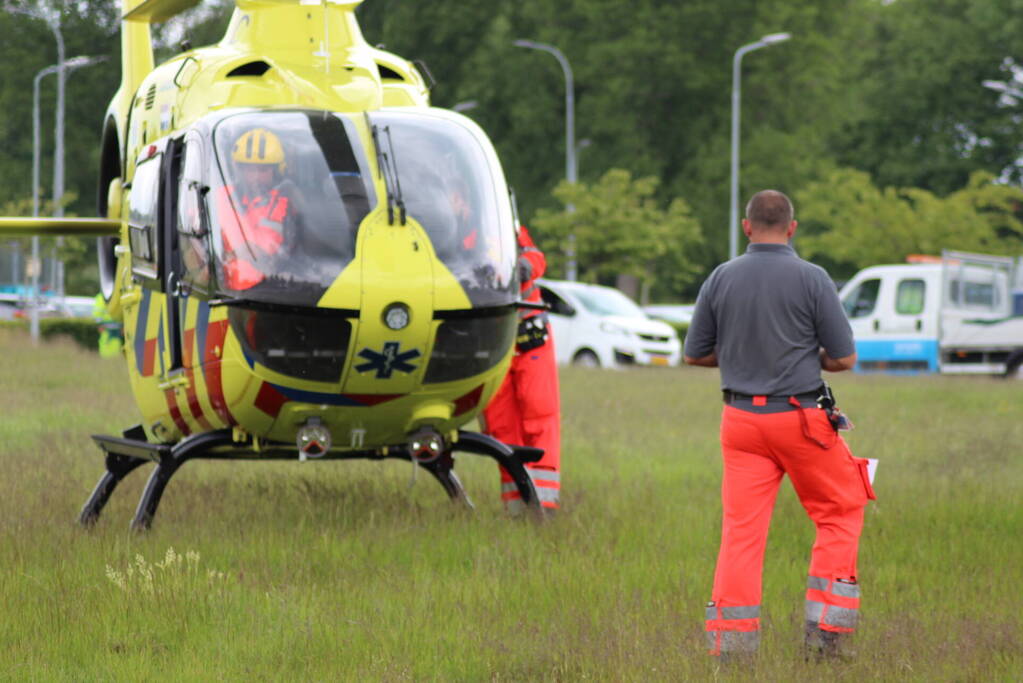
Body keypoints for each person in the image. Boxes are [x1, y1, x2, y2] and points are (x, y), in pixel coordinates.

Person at [683, 190, 874, 660]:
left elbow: (694, 353)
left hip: (740, 421)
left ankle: (731, 647)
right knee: (841, 510)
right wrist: (807, 356)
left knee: (741, 534)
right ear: (792, 228)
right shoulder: (813, 278)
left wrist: (741, 356)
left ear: (747, 227)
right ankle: (826, 638)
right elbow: (844, 358)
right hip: (800, 419)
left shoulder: (720, 276)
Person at [481, 224, 560, 513]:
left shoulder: (503, 222)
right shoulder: (450, 231)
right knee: (501, 425)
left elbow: (535, 257)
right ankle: (516, 508)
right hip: (491, 343)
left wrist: (522, 267)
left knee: (540, 414)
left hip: (529, 340)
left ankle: (545, 503)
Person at [216, 127, 302, 290]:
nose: (255, 176)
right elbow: (195, 237)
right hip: (221, 288)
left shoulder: (286, 203)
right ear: (238, 169)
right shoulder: (220, 196)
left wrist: (249, 252)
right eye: (248, 169)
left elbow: (289, 254)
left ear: (277, 170)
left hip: (269, 289)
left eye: (263, 170)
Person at [92, 292, 123, 359]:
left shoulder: (118, 295)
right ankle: (106, 359)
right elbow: (97, 312)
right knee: (106, 344)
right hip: (106, 327)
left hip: (116, 327)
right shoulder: (101, 297)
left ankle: (112, 360)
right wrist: (99, 324)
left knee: (115, 345)